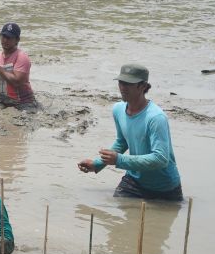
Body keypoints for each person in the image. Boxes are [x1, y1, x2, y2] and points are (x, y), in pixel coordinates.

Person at [77, 64, 182, 201]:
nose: (123, 88)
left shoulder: (156, 118)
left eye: (128, 83)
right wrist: (97, 164)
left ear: (143, 86)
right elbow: (122, 141)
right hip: (134, 182)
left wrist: (119, 160)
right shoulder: (118, 110)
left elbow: (161, 159)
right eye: (121, 82)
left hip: (164, 188)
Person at [0, 22, 36, 108]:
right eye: (3, 37)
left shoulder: (21, 57)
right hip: (4, 101)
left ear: (17, 40)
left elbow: (17, 82)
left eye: (9, 38)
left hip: (24, 103)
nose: (5, 40)